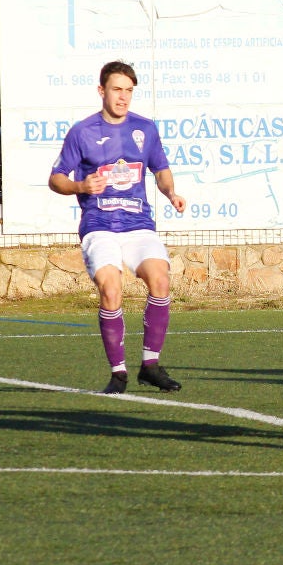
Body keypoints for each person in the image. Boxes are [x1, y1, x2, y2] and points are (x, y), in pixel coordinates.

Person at [49, 61, 187, 394]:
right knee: (111, 289)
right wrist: (80, 186)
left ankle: (150, 366)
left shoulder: (145, 129)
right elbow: (56, 179)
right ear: (102, 91)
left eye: (128, 91)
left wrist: (170, 193)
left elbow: (161, 169)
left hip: (138, 224)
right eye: (116, 89)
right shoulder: (83, 131)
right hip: (99, 225)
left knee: (160, 279)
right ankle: (119, 373)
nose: (123, 97)